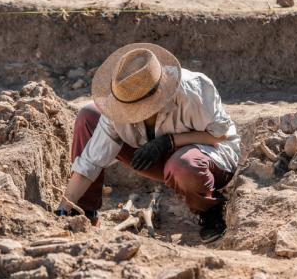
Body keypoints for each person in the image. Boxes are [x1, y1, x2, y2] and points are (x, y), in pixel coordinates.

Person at [55, 43, 240, 243]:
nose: (131, 114)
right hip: (159, 159)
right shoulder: (119, 103)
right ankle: (83, 212)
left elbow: (219, 135)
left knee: (183, 165)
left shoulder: (193, 89)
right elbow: (90, 160)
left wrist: (169, 142)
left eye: (139, 108)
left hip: (210, 157)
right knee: (89, 115)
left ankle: (210, 210)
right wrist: (64, 207)